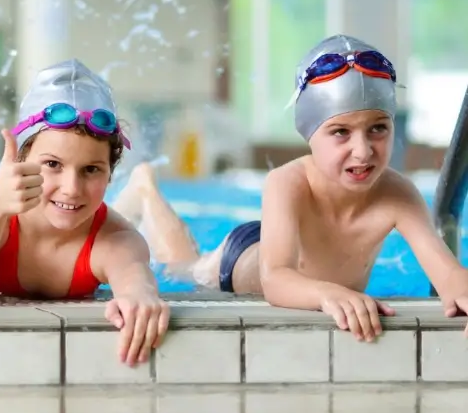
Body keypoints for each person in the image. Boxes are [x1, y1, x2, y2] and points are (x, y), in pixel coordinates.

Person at [122, 34, 468, 341]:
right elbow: (275, 280)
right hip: (244, 259)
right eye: (340, 132)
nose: (363, 150)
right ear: (309, 134)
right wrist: (325, 293)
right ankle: (147, 190)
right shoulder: (287, 182)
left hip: (291, 251)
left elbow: (448, 272)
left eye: (378, 128)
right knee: (184, 265)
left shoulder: (398, 194)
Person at [0, 59, 168, 367]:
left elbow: (134, 275)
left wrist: (140, 296)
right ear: (20, 158)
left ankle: (143, 190)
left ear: (111, 173)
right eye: (52, 165)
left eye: (91, 169)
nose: (72, 188)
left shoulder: (115, 239)